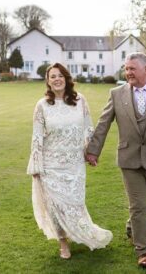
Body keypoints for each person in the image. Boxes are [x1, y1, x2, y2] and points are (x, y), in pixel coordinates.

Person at [86, 52, 146, 267]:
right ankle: (143, 250)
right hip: (128, 157)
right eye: (126, 68)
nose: (128, 72)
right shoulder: (116, 94)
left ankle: (132, 226)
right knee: (138, 204)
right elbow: (104, 124)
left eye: (132, 68)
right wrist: (93, 150)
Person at [26, 63, 112, 259]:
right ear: (48, 81)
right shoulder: (42, 105)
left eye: (60, 76)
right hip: (51, 164)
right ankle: (63, 243)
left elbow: (89, 129)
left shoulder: (80, 100)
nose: (57, 79)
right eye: (52, 76)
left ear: (66, 78)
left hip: (74, 163)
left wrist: (91, 154)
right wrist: (37, 165)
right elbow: (37, 137)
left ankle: (82, 232)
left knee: (75, 203)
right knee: (55, 207)